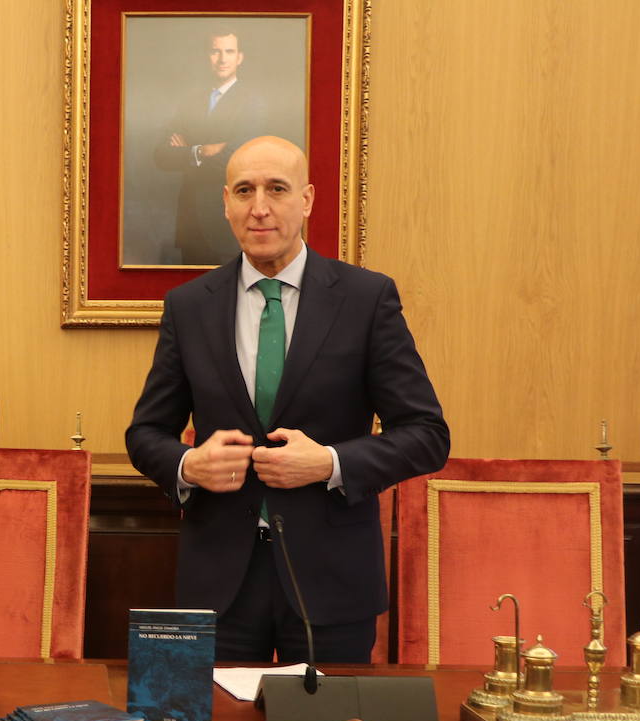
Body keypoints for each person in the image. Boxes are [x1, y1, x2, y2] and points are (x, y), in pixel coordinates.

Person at [126, 136, 448, 663]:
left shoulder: (366, 299)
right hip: (219, 584)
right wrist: (189, 464)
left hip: (332, 579)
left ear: (307, 200)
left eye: (277, 189)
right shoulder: (189, 307)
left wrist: (330, 462)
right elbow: (145, 435)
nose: (260, 208)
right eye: (245, 191)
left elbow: (427, 435)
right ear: (225, 202)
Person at [154, 28, 270, 266]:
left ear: (240, 57)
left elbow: (237, 161)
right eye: (215, 51)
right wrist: (202, 150)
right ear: (207, 56)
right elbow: (161, 155)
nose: (222, 58)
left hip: (227, 224)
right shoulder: (191, 101)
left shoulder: (252, 103)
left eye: (229, 51)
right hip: (190, 224)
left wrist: (187, 152)